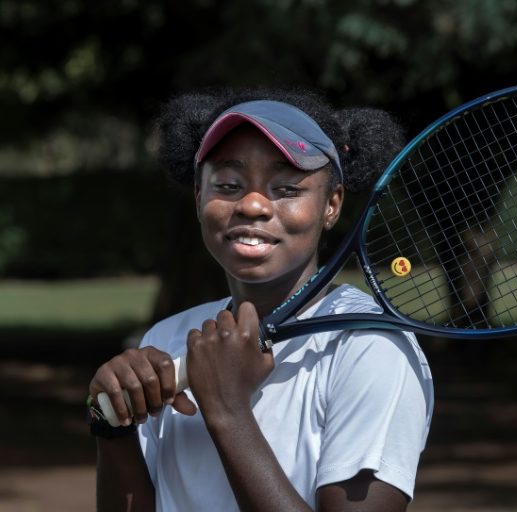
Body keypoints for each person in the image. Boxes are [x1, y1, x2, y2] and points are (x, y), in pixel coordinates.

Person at [88, 87, 434, 512]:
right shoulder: (168, 338)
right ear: (199, 198)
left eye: (286, 189)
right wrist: (114, 428)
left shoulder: (370, 350)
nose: (252, 204)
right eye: (228, 185)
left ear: (332, 205)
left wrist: (228, 411)